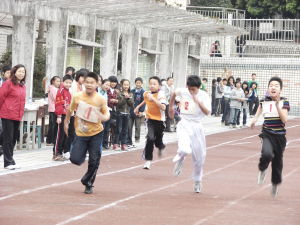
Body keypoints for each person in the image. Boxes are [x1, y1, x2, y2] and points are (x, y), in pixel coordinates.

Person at [65, 72, 109, 194]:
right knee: (75, 159)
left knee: (94, 159)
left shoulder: (100, 98)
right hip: (80, 132)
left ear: (97, 84)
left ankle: (88, 182)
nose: (89, 85)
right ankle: (81, 151)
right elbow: (70, 109)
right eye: (87, 82)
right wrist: (66, 122)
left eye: (92, 83)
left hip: (96, 132)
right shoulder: (77, 96)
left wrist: (103, 117)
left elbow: (107, 114)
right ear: (84, 83)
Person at [169, 75, 211, 193]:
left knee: (199, 158)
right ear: (187, 86)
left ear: (199, 87)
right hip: (184, 123)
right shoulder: (183, 91)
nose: (192, 92)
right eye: (190, 89)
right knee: (184, 148)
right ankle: (180, 160)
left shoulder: (204, 95)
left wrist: (198, 102)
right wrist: (171, 107)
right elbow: (173, 93)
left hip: (197, 126)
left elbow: (207, 112)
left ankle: (197, 181)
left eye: (194, 90)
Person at [250, 76, 289, 198]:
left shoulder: (284, 102)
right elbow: (259, 109)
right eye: (271, 85)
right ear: (268, 88)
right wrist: (255, 119)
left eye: (276, 86)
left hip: (280, 136)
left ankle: (275, 184)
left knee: (277, 162)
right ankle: (263, 169)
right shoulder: (264, 100)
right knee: (266, 153)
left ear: (280, 90)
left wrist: (277, 105)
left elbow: (285, 119)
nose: (273, 87)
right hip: (267, 133)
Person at [134, 76, 166, 169]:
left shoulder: (161, 94)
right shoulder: (146, 93)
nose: (152, 85)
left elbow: (163, 107)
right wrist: (137, 107)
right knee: (150, 138)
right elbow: (146, 100)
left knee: (158, 141)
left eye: (154, 84)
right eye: (150, 83)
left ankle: (161, 146)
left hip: (160, 121)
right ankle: (148, 160)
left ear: (159, 85)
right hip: (149, 119)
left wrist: (154, 99)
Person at [0, 64, 26, 170]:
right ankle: (7, 162)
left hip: (17, 115)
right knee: (8, 139)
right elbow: (1, 97)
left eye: (23, 72)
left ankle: (10, 159)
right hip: (7, 114)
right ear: (14, 72)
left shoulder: (22, 86)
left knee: (14, 139)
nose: (21, 73)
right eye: (19, 71)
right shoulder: (8, 83)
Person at [53, 75, 72, 161]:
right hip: (61, 115)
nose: (68, 84)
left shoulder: (68, 92)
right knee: (59, 135)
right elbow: (58, 104)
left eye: (70, 83)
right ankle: (56, 153)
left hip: (67, 115)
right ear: (63, 82)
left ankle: (62, 152)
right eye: (66, 82)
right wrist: (59, 116)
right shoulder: (61, 91)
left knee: (65, 135)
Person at [114, 79, 134, 151]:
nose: (126, 86)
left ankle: (123, 144)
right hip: (120, 113)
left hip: (127, 114)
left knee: (125, 130)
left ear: (129, 86)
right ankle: (116, 144)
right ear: (122, 85)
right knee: (118, 129)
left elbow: (131, 104)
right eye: (124, 85)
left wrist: (128, 98)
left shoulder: (131, 94)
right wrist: (125, 98)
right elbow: (119, 104)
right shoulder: (119, 93)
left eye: (127, 85)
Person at [103, 76, 119, 150]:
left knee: (109, 127)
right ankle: (104, 143)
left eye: (115, 82)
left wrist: (116, 101)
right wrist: (112, 101)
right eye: (112, 82)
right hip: (106, 109)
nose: (113, 83)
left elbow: (118, 101)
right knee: (105, 127)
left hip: (113, 110)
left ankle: (109, 143)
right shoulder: (106, 90)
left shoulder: (116, 91)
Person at [127, 77, 145, 147]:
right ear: (135, 83)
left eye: (139, 83)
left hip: (138, 112)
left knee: (137, 126)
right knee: (129, 126)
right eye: (137, 83)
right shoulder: (132, 91)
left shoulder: (143, 92)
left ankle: (137, 138)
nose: (138, 84)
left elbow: (144, 102)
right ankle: (129, 139)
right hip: (131, 111)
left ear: (142, 84)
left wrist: (141, 111)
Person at [46, 76, 61, 145]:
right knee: (53, 125)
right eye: (57, 81)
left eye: (59, 81)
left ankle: (51, 140)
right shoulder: (53, 89)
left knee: (53, 125)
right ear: (53, 81)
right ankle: (50, 141)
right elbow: (56, 98)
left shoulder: (53, 88)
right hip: (53, 109)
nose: (59, 83)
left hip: (54, 109)